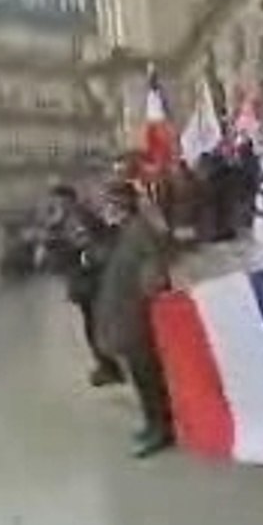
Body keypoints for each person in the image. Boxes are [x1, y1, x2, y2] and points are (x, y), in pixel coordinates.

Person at [94, 180, 175, 459]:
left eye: (108, 203)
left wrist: (145, 293)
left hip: (138, 319)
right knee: (141, 379)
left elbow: (155, 273)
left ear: (122, 205)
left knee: (148, 379)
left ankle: (160, 429)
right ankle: (153, 424)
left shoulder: (141, 232)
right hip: (127, 317)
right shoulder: (124, 232)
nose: (104, 209)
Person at [52, 184, 125, 388]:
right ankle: (108, 365)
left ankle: (109, 367)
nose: (56, 204)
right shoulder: (72, 217)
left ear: (68, 200)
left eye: (58, 200)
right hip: (86, 279)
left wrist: (82, 261)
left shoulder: (76, 218)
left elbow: (86, 248)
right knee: (94, 324)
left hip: (89, 280)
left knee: (95, 325)